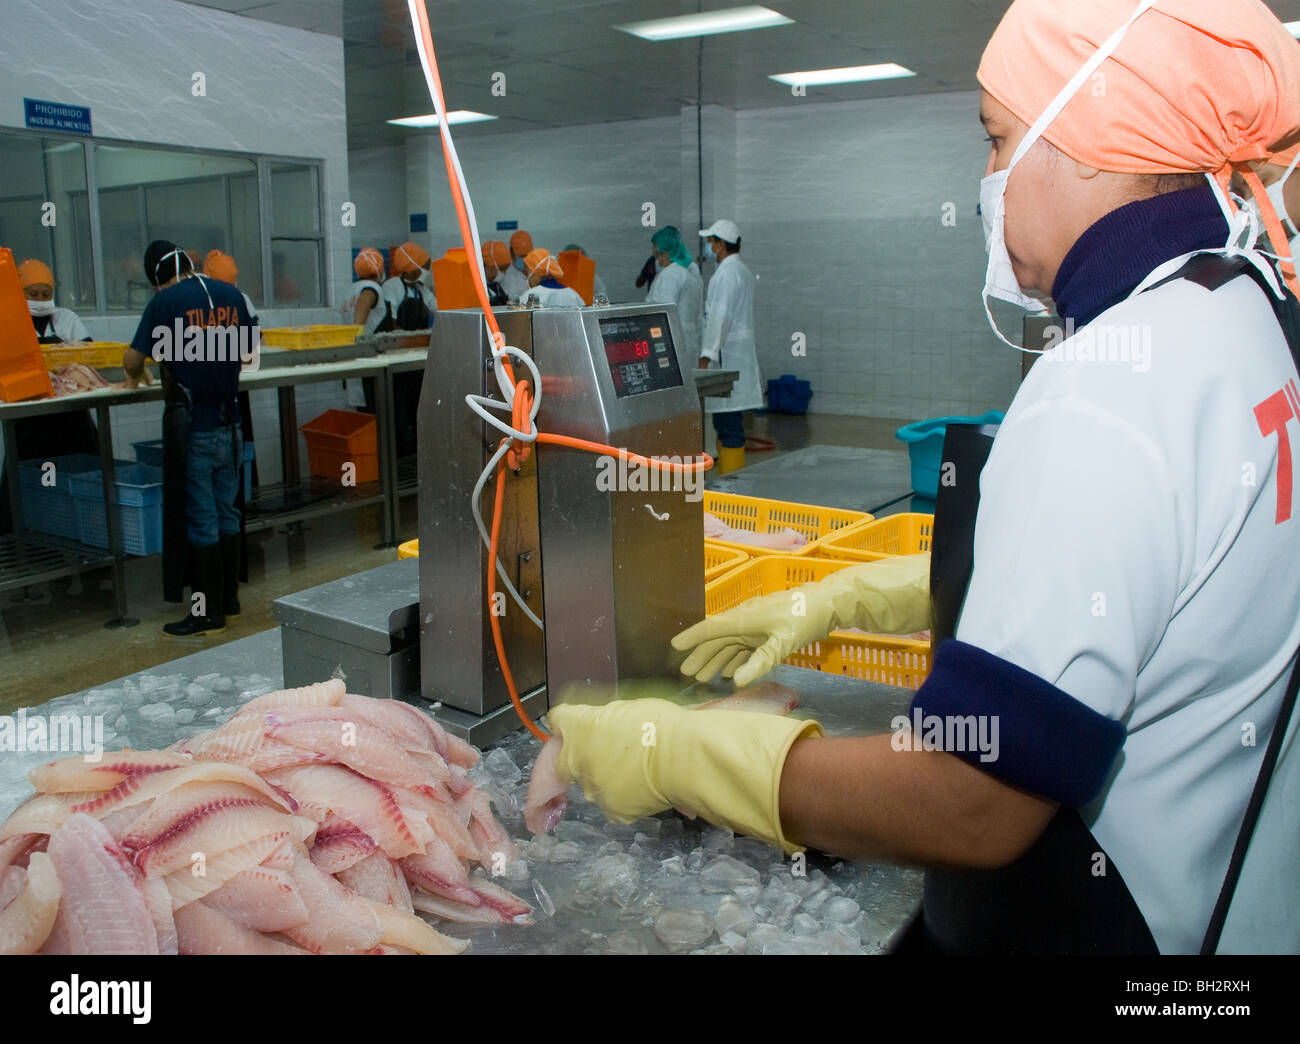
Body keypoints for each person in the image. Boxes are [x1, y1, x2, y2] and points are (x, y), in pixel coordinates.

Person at [541, 0, 1300, 956]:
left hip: (1104, 924)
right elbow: (1164, 569)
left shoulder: (1107, 383)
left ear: (1093, 138)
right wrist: (863, 591)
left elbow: (969, 799)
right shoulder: (1246, 310)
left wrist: (689, 754)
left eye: (997, 140)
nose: (987, 181)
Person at [123, 241, 253, 638]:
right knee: (228, 512)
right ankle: (229, 599)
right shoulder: (230, 294)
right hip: (231, 424)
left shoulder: (167, 301)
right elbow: (246, 352)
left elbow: (132, 360)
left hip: (195, 427)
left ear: (157, 277)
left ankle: (205, 613)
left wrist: (139, 375)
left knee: (202, 519)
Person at [697, 219, 762, 474]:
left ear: (722, 245)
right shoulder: (742, 272)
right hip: (736, 356)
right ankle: (730, 478)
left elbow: (719, 319)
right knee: (728, 423)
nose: (710, 249)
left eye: (711, 243)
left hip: (726, 359)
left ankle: (731, 486)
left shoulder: (726, 275)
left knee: (728, 424)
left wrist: (706, 357)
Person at [382, 241, 436, 457]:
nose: (428, 270)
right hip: (397, 356)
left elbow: (440, 310)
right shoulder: (391, 287)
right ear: (413, 267)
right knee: (400, 407)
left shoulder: (423, 290)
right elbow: (391, 321)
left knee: (417, 402)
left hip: (419, 356)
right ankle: (401, 453)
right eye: (426, 265)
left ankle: (417, 450)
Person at [644, 226, 703, 360]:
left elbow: (663, 313)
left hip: (672, 343)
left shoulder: (670, 274)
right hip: (689, 341)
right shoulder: (688, 273)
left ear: (666, 253)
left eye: (657, 255)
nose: (657, 261)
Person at [342, 246, 390, 409]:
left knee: (361, 410)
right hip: (367, 356)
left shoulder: (351, 289)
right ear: (379, 268)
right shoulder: (372, 288)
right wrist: (359, 332)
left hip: (353, 355)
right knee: (373, 411)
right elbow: (366, 299)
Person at [518, 249, 585, 308]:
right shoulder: (573, 294)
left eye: (527, 273)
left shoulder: (530, 296)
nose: (526, 278)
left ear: (537, 272)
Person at [498, 230, 532, 301]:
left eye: (526, 256)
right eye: (520, 256)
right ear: (511, 253)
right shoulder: (504, 276)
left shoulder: (536, 272)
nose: (524, 260)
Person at [481, 240, 511, 305]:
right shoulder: (477, 288)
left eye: (505, 269)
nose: (504, 272)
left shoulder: (496, 286)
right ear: (489, 265)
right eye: (502, 268)